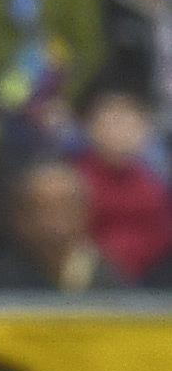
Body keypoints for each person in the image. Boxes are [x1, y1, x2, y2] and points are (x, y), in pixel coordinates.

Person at [0, 153, 130, 288]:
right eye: (44, 210)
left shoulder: (107, 278)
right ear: (19, 218)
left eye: (68, 208)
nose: (57, 223)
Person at [74, 82, 172, 283]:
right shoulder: (75, 179)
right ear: (91, 127)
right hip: (94, 276)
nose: (119, 133)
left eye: (128, 125)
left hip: (153, 275)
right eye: (110, 123)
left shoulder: (155, 182)